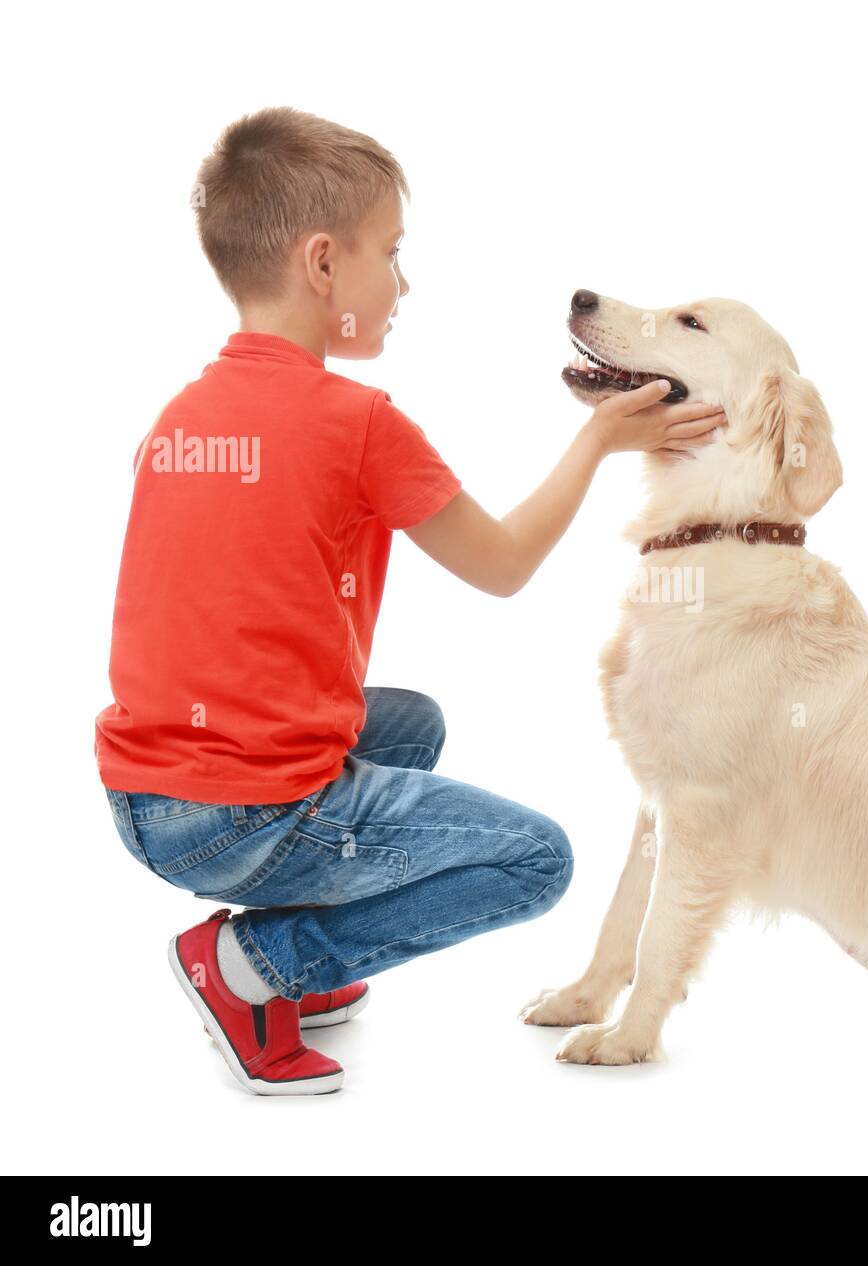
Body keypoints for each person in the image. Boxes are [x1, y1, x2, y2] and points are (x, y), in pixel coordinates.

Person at [95, 106, 725, 1096]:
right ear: (321, 265)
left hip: (143, 794)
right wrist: (597, 441)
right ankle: (255, 969)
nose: (404, 281)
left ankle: (296, 955)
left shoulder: (182, 414)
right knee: (536, 863)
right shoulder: (356, 424)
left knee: (410, 723)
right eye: (391, 252)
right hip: (240, 821)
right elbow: (504, 563)